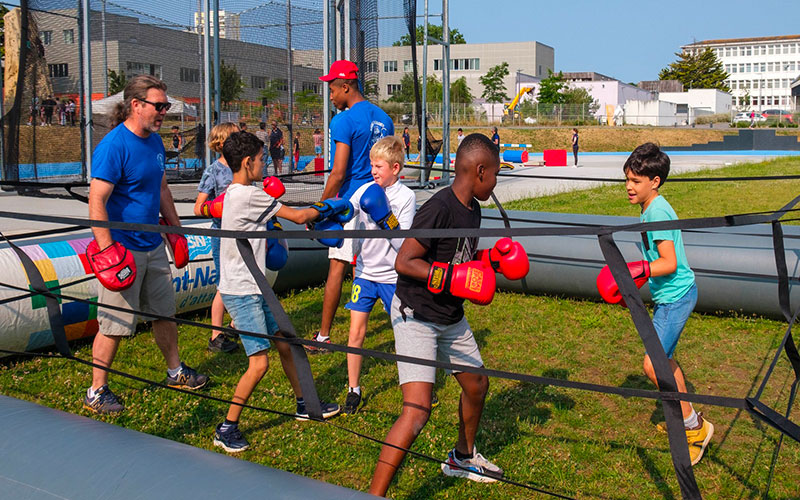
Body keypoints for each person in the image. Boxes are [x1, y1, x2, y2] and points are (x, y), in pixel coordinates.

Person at [369, 134, 522, 496]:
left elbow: (461, 260)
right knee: (417, 410)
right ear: (480, 171)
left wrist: (491, 263)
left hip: (450, 313)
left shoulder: (474, 209)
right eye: (496, 174)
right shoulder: (438, 208)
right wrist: (451, 276)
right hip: (416, 314)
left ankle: (462, 457)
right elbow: (404, 261)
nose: (497, 182)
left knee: (477, 385)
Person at [83, 75, 209, 415]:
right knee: (114, 323)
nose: (164, 112)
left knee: (164, 314)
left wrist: (176, 232)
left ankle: (175, 371)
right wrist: (108, 250)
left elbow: (162, 189)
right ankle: (96, 390)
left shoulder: (153, 142)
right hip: (123, 250)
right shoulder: (113, 146)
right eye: (159, 106)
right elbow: (97, 200)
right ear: (135, 105)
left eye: (166, 106)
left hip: (153, 244)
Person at [211, 131, 341, 452]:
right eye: (261, 160)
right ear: (247, 162)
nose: (265, 166)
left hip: (251, 286)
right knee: (259, 365)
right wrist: (332, 206)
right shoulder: (248, 195)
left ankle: (303, 403)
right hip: (243, 292)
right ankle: (227, 426)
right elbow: (298, 215)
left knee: (285, 341)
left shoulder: (236, 193)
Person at [596, 142, 713, 466]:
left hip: (677, 298)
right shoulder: (651, 206)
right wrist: (635, 284)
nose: (628, 187)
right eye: (627, 180)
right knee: (666, 362)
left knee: (653, 365)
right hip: (669, 297)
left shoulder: (658, 211)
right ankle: (686, 419)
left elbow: (670, 262)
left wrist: (639, 271)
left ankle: (696, 429)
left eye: (635, 181)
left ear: (655, 181)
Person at [308, 59, 394, 353]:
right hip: (381, 199)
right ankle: (389, 321)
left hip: (351, 204)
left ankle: (323, 337)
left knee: (337, 267)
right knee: (372, 267)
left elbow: (338, 172)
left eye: (332, 88)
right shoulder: (384, 118)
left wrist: (319, 208)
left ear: (346, 87)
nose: (330, 95)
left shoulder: (342, 120)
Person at [341, 136, 416, 414]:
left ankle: (416, 388)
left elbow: (404, 243)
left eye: (379, 166)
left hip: (392, 276)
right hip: (364, 273)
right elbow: (347, 216)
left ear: (395, 168)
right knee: (355, 332)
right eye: (372, 165)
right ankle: (354, 389)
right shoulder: (364, 190)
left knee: (405, 334)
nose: (374, 171)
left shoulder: (405, 197)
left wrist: (386, 219)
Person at [194, 122, 240, 354]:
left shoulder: (242, 166)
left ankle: (235, 325)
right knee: (224, 284)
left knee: (244, 279)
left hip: (241, 233)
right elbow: (198, 207)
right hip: (222, 235)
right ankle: (216, 335)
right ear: (221, 143)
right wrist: (217, 208)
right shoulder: (213, 171)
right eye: (234, 138)